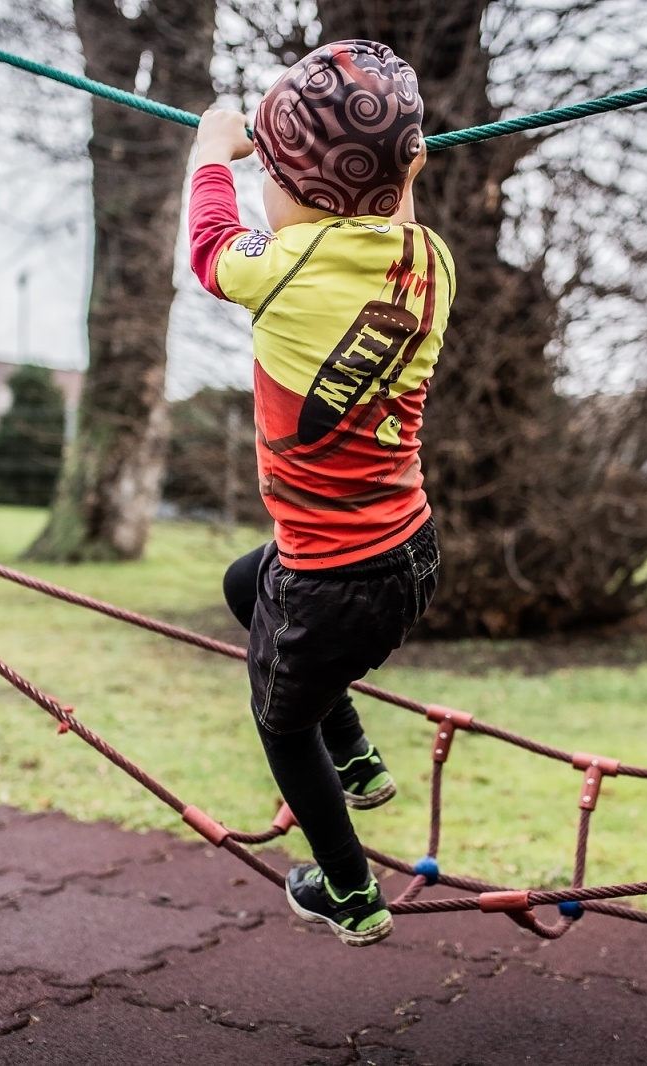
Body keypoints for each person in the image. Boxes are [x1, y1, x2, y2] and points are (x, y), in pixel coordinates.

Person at [187, 39, 455, 946]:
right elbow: (389, 212)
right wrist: (399, 158)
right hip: (409, 553)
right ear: (405, 175)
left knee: (278, 716)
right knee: (239, 586)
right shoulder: (432, 264)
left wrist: (209, 151)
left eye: (269, 173)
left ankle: (349, 891)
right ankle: (361, 760)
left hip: (333, 578)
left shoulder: (280, 270)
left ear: (294, 191)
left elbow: (210, 247)